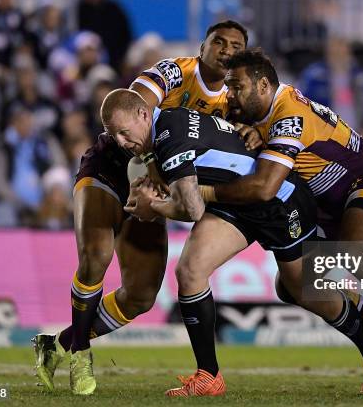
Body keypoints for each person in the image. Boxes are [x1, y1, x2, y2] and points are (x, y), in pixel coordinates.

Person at [102, 88, 363, 396]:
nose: (120, 141)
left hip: (280, 203)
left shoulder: (170, 141)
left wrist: (153, 207)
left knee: (303, 290)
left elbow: (192, 209)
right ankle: (208, 376)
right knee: (189, 271)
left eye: (123, 132)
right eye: (113, 135)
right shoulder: (167, 123)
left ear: (143, 114)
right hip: (234, 202)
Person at [201, 49, 363, 387]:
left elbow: (266, 186)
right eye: (228, 86)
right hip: (328, 206)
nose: (231, 94)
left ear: (262, 85)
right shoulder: (256, 111)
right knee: (293, 285)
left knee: (352, 253)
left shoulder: (290, 114)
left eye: (238, 86)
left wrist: (205, 193)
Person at [32, 20, 250, 396]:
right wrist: (153, 166)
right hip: (111, 169)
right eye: (220, 41)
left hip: (155, 186)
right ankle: (81, 355)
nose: (227, 50)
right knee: (96, 256)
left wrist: (254, 132)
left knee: (141, 296)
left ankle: (57, 344)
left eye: (236, 45)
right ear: (203, 45)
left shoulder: (236, 100)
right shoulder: (174, 71)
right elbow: (134, 106)